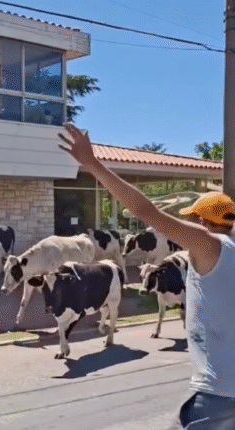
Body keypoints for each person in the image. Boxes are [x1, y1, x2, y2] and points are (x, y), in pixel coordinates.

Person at [59, 123, 235, 429]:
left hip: (218, 392)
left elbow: (144, 210)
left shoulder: (208, 245)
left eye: (189, 221)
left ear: (197, 221)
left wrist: (93, 165)